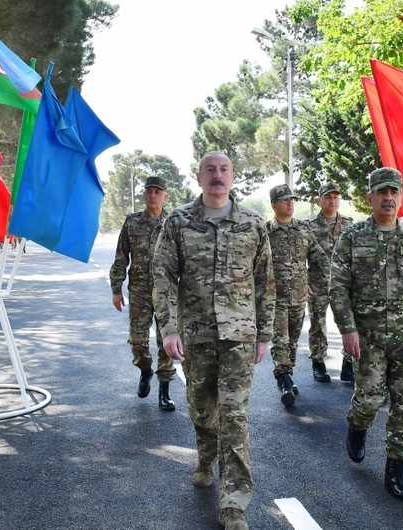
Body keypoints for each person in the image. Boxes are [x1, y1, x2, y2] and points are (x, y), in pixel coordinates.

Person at [152, 152, 275, 530]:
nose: (217, 175)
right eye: (210, 170)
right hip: (197, 334)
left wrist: (265, 334)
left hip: (240, 336)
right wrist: (169, 329)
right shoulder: (178, 222)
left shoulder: (253, 224)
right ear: (199, 176)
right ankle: (206, 456)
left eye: (223, 170)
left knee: (234, 416)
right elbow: (162, 276)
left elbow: (265, 282)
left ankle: (234, 504)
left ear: (232, 176)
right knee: (202, 410)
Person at [329, 167, 403, 501]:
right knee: (369, 400)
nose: (388, 198)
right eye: (382, 192)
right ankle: (357, 426)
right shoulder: (352, 237)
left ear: (401, 197)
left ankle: (397, 469)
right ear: (370, 198)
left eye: (394, 192)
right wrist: (348, 330)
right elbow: (338, 288)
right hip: (367, 337)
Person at [109, 176, 176, 411]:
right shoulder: (132, 222)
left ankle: (164, 392)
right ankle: (145, 369)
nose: (153, 195)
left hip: (167, 292)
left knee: (166, 341)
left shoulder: (174, 223)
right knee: (138, 340)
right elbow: (121, 257)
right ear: (144, 194)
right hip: (139, 292)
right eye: (149, 191)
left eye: (158, 192)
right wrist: (116, 288)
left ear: (165, 196)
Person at [266, 184, 329, 407]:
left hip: (299, 298)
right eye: (285, 200)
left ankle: (287, 376)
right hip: (274, 299)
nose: (290, 203)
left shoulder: (303, 229)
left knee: (292, 341)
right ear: (274, 205)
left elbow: (320, 259)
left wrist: (312, 282)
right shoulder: (265, 232)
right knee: (280, 341)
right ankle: (284, 379)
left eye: (292, 199)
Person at [303, 181, 354, 383]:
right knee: (318, 324)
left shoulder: (349, 225)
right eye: (328, 197)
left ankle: (349, 364)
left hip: (344, 285)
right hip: (317, 284)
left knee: (350, 323)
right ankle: (318, 363)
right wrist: (303, 280)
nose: (332, 200)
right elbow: (300, 256)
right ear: (319, 200)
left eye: (335, 197)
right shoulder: (309, 227)